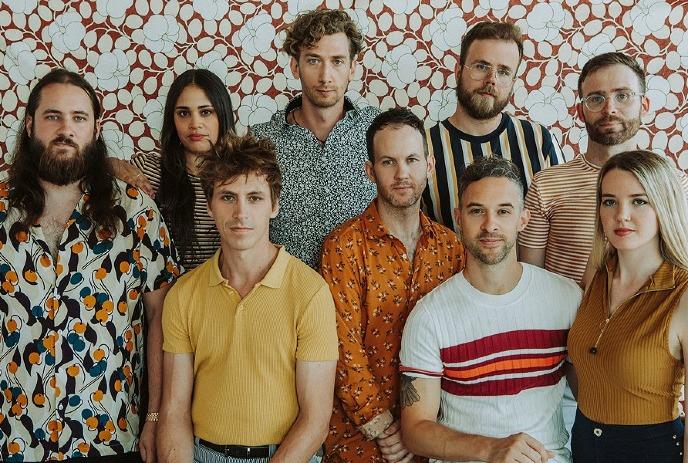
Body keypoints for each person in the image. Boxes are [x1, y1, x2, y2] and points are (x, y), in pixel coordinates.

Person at [0, 68, 180, 462]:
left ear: (96, 128)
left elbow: (164, 320)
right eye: (53, 117)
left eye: (78, 118)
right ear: (30, 125)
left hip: (107, 435)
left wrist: (154, 417)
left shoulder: (135, 214)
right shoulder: (0, 210)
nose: (66, 129)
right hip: (12, 439)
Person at [157, 132, 338, 463]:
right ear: (210, 205)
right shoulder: (184, 294)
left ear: (274, 205)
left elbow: (315, 422)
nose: (241, 213)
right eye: (228, 197)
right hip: (203, 455)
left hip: (287, 456)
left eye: (254, 198)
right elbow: (174, 409)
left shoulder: (311, 292)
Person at [400, 157, 582, 463]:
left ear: (523, 219)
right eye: (476, 211)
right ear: (458, 217)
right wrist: (491, 449)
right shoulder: (429, 316)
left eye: (503, 211)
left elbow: (594, 397)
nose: (490, 225)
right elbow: (416, 430)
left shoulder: (566, 299)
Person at [320, 108, 464, 463]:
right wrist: (386, 429)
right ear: (370, 171)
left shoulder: (451, 248)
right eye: (388, 162)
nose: (402, 174)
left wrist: (423, 431)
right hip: (360, 442)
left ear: (429, 165)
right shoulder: (344, 246)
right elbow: (342, 348)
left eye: (412, 160)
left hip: (437, 437)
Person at [567, 150, 688, 463]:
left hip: (651, 450)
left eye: (639, 201)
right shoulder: (595, 274)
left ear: (664, 205)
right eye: (610, 201)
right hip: (583, 443)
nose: (621, 215)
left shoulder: (683, 292)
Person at [252, 8, 380, 269]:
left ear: (352, 67)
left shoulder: (379, 131)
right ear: (295, 66)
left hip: (366, 295)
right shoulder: (261, 141)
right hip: (287, 298)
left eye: (337, 61)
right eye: (313, 60)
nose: (325, 76)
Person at [422, 21, 563, 232]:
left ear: (514, 81)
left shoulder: (539, 141)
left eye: (504, 71)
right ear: (458, 71)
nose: (491, 80)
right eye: (481, 66)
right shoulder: (422, 147)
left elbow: (562, 224)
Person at [111, 69, 235, 269]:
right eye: (184, 113)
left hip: (224, 294)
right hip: (165, 295)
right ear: (172, 119)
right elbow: (87, 170)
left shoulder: (242, 179)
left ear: (223, 114)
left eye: (206, 112)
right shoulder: (149, 171)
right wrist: (113, 164)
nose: (195, 124)